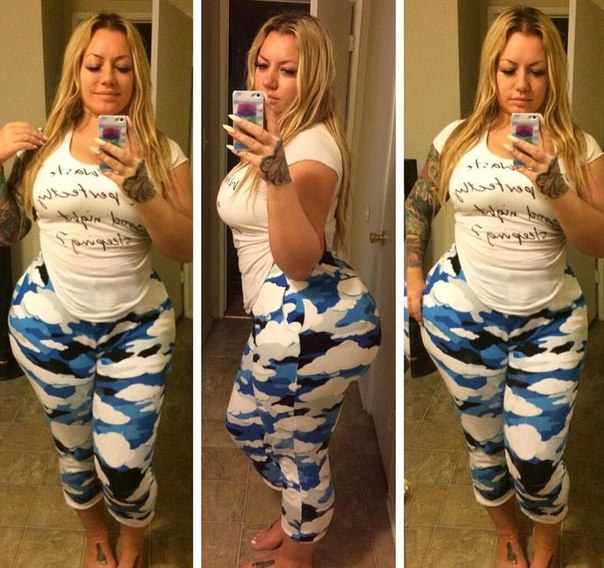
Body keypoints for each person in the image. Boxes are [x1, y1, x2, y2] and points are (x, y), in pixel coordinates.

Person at [405, 5, 604, 567]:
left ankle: (546, 543)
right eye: (508, 69)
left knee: (535, 459)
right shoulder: (456, 139)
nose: (521, 85)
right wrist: (413, 274)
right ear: (491, 70)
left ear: (552, 73)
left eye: (536, 71)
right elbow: (419, 205)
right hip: (462, 320)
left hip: (549, 327)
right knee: (485, 444)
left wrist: (553, 182)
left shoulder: (580, 148)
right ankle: (507, 533)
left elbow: (597, 241)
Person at [1, 13, 192, 568]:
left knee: (125, 463)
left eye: (123, 66)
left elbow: (183, 246)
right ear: (77, 71)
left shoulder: (164, 152)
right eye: (95, 65)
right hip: (47, 326)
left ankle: (133, 540)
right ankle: (95, 535)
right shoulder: (44, 147)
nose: (108, 77)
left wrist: (140, 186)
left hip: (136, 331)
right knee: (73, 447)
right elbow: (10, 230)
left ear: (138, 76)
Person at [218, 12, 381, 568]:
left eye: (287, 71)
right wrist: (267, 163)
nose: (268, 81)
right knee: (244, 424)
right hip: (278, 320)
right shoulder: (276, 135)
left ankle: (296, 556)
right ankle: (295, 516)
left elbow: (299, 259)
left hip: (303, 322)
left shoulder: (309, 150)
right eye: (262, 65)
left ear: (314, 76)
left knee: (300, 456)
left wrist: (275, 172)